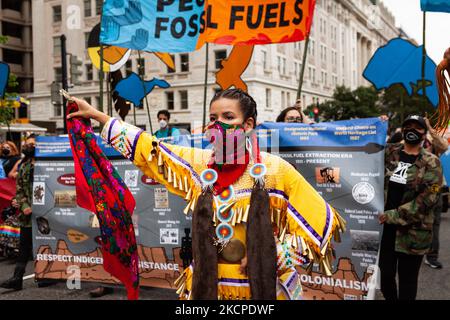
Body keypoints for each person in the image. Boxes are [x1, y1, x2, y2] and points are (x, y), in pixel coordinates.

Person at [67, 88, 345, 300]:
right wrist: (97, 116)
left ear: (248, 125)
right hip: (209, 285)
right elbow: (151, 150)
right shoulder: (200, 164)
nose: (217, 124)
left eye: (228, 117)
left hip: (264, 287)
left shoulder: (275, 170)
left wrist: (272, 253)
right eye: (213, 118)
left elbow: (322, 227)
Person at [379, 115, 443, 301]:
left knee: (408, 283)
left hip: (414, 234)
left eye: (417, 127)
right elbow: (362, 150)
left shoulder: (432, 163)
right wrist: (378, 125)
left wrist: (392, 215)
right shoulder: (389, 152)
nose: (412, 130)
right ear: (402, 130)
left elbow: (426, 201)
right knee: (385, 279)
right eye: (408, 126)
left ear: (424, 133)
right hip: (386, 232)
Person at [0, 134, 36, 291]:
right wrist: (21, 203)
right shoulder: (24, 165)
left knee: (48, 245)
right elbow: (20, 189)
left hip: (46, 214)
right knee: (24, 245)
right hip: (27, 214)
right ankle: (17, 278)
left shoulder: (46, 165)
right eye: (27, 144)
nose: (28, 146)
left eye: (32, 144)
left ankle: (49, 275)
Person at [422, 117, 449, 269]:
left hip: (434, 189)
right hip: (414, 190)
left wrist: (429, 128)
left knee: (434, 224)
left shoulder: (432, 143)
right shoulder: (406, 141)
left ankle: (432, 256)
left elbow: (444, 145)